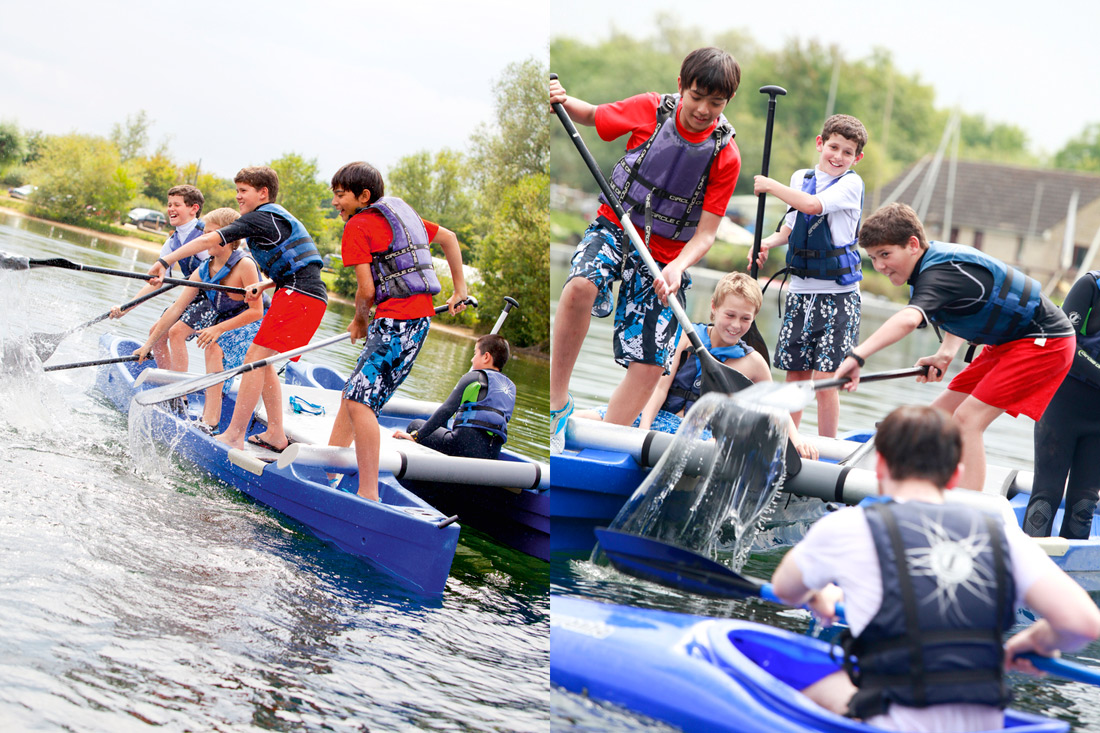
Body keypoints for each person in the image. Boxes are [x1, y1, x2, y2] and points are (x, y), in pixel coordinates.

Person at [771, 405, 1100, 732]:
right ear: (956, 475)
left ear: (880, 465)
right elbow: (1085, 624)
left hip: (894, 719)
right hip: (984, 721)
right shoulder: (1005, 537)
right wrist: (1039, 638)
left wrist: (818, 594)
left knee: (805, 691)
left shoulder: (849, 525)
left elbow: (785, 589)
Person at [549, 47, 742, 453]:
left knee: (652, 365)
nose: (703, 109)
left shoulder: (725, 155)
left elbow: (706, 234)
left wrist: (678, 267)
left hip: (666, 258)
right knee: (581, 285)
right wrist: (560, 100)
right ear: (680, 86)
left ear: (728, 102)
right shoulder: (650, 110)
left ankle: (604, 445)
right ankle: (557, 403)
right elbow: (593, 115)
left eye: (716, 102)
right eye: (696, 96)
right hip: (616, 227)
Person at [834, 203, 1074, 492]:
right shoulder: (928, 269)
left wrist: (857, 356)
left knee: (967, 420)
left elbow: (908, 320)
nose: (880, 266)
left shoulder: (938, 274)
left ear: (913, 245)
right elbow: (961, 307)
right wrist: (945, 354)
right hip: (1010, 343)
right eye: (873, 257)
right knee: (937, 417)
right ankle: (916, 487)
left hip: (1045, 342)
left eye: (885, 254)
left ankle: (968, 506)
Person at [146, 166, 328, 452]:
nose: (238, 197)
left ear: (263, 193)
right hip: (302, 295)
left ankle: (233, 435)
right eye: (237, 191)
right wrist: (266, 285)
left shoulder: (261, 218)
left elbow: (207, 240)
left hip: (300, 296)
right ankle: (275, 434)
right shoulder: (271, 219)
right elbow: (296, 268)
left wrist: (165, 261)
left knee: (254, 360)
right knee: (262, 362)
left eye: (243, 191)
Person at [325, 161, 467, 501]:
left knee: (360, 401)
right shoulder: (401, 217)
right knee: (353, 394)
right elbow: (449, 238)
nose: (335, 202)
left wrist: (360, 321)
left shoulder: (358, 226)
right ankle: (328, 468)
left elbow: (366, 291)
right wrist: (459, 290)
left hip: (395, 324)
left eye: (340, 195)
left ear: (363, 196)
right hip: (418, 324)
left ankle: (368, 493)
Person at [576, 272, 817, 459]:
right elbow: (659, 388)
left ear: (754, 317)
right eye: (730, 315)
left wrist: (796, 442)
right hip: (657, 419)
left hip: (702, 437)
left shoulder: (754, 363)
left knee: (717, 445)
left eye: (745, 318)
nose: (736, 325)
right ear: (714, 307)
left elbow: (777, 408)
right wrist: (644, 429)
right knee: (584, 418)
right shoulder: (686, 337)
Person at [752, 114, 868, 438]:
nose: (838, 156)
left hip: (838, 295)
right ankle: (788, 442)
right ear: (820, 143)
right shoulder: (800, 178)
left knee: (825, 380)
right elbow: (791, 227)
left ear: (857, 158)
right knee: (795, 378)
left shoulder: (851, 184)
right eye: (833, 147)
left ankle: (828, 447)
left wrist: (770, 185)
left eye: (847, 152)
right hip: (800, 292)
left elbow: (813, 206)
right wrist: (766, 242)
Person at [133, 208, 263, 433]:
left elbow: (257, 312)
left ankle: (210, 423)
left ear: (229, 235)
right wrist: (148, 344)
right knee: (202, 342)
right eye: (204, 233)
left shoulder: (245, 265)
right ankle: (179, 396)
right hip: (224, 322)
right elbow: (176, 308)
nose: (204, 239)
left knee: (213, 348)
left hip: (252, 323)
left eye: (210, 233)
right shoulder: (204, 269)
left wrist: (218, 329)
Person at [1024, 269, 1100, 539]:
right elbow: (1065, 341)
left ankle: (1071, 565)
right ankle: (1030, 561)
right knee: (1045, 499)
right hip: (1062, 405)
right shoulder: (1091, 285)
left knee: (1084, 506)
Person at [111, 184, 208, 371]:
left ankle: (179, 387)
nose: (171, 209)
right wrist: (126, 308)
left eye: (177, 205)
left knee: (176, 332)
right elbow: (156, 283)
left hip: (214, 298)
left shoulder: (206, 234)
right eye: (169, 204)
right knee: (156, 334)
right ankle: (167, 380)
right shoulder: (172, 242)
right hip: (193, 296)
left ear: (194, 208)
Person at [393, 334, 514, 460]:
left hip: (461, 448)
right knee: (444, 425)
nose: (472, 359)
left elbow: (447, 410)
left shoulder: (474, 377)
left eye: (475, 353)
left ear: (486, 357)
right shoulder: (510, 388)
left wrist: (416, 436)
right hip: (491, 454)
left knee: (415, 425)